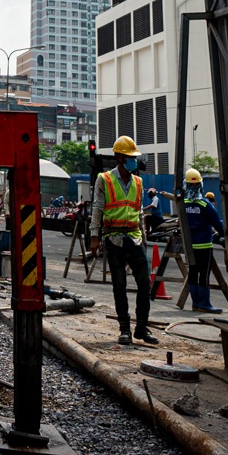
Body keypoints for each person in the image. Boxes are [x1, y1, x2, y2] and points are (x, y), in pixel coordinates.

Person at [93, 136, 158, 346]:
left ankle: (141, 328)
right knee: (119, 285)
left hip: (135, 238)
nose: (134, 161)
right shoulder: (104, 179)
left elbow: (139, 212)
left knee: (144, 284)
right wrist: (94, 236)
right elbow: (97, 208)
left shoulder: (138, 182)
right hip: (114, 239)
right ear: (120, 157)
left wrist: (144, 238)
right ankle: (125, 330)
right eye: (130, 157)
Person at [180, 168, 225, 313]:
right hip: (204, 245)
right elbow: (218, 224)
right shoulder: (205, 205)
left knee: (193, 273)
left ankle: (195, 304)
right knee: (204, 274)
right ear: (200, 185)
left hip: (189, 245)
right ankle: (204, 304)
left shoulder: (182, 204)